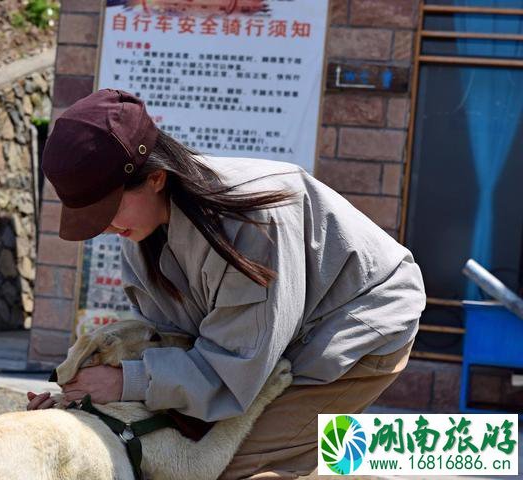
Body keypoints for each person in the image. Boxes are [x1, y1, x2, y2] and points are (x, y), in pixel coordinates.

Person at [26, 89, 426, 478]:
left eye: (109, 209)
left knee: (228, 464)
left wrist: (126, 381)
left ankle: (415, 452)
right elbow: (173, 343)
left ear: (156, 178)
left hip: (357, 323)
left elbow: (236, 365)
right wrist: (81, 400)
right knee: (193, 438)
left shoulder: (253, 220)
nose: (107, 227)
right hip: (268, 343)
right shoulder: (140, 232)